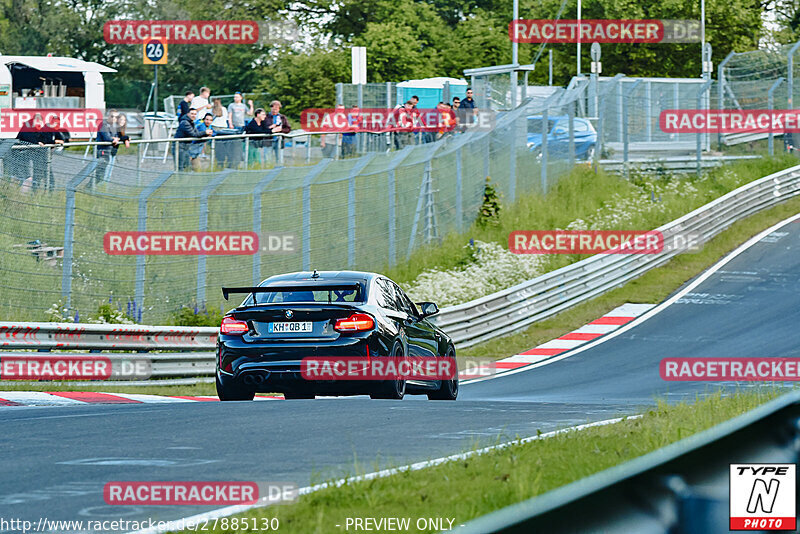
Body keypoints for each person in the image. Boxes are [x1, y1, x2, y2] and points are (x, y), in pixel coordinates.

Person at [15, 113, 53, 191]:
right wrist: (37, 142)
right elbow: (26, 137)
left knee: (40, 171)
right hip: (23, 152)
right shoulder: (27, 127)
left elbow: (48, 139)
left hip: (37, 153)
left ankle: (37, 188)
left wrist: (44, 142)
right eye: (37, 123)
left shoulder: (43, 129)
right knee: (24, 173)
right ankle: (24, 187)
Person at [94, 111, 121, 186]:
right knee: (101, 172)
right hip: (103, 150)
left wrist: (116, 139)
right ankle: (92, 188)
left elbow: (117, 137)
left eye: (115, 117)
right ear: (108, 116)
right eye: (111, 116)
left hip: (112, 151)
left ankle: (103, 188)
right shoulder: (103, 124)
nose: (113, 118)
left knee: (108, 173)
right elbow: (106, 137)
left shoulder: (114, 127)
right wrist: (113, 139)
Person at [104, 112, 131, 180]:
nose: (123, 121)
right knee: (105, 171)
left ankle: (105, 186)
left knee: (109, 172)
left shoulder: (121, 129)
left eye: (124, 120)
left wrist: (126, 139)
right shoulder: (114, 127)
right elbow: (115, 138)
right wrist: (126, 139)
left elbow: (122, 137)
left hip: (113, 151)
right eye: (121, 119)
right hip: (108, 151)